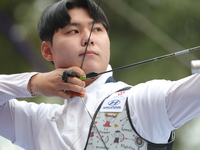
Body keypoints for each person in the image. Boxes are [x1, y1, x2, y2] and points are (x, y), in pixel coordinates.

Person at [1, 0, 200, 149]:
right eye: (73, 31)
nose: (88, 38)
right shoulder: (38, 123)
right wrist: (34, 82)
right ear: (47, 51)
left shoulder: (141, 101)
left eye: (97, 29)